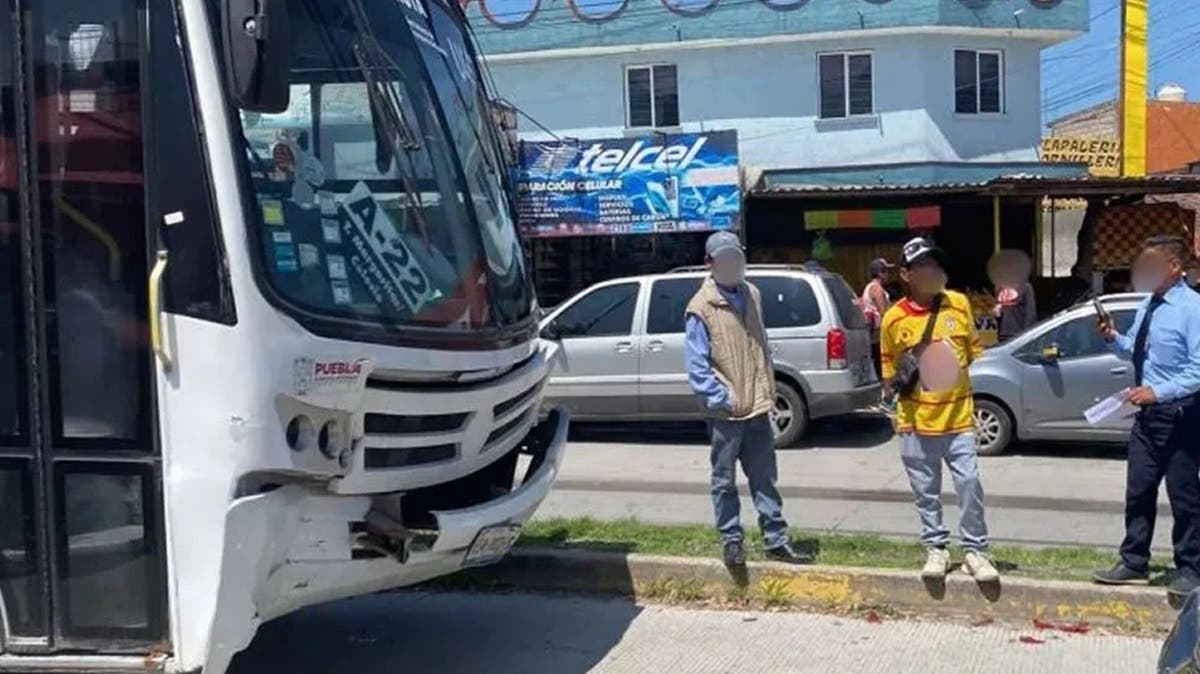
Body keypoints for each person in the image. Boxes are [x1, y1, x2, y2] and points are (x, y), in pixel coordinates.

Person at [684, 231, 807, 567]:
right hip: (726, 413)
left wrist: (764, 391)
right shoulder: (700, 308)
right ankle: (731, 539)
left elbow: (758, 346)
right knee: (724, 481)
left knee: (765, 478)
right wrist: (723, 399)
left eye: (735, 257)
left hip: (758, 407)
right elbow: (697, 368)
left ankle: (776, 539)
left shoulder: (752, 294)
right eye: (723, 259)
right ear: (709, 264)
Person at [879, 237, 998, 582]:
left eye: (936, 266)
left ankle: (975, 550)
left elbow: (974, 354)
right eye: (923, 267)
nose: (933, 272)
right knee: (926, 493)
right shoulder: (893, 319)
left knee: (969, 484)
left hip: (959, 419)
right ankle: (936, 548)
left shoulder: (959, 304)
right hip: (916, 423)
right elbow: (889, 374)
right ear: (905, 274)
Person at [1092, 236, 1200, 602]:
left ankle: (1190, 567)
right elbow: (1136, 349)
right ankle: (1134, 559)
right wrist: (1113, 338)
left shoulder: (1192, 308)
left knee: (1184, 497)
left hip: (1181, 415)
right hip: (1147, 417)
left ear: (1174, 267)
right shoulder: (1148, 305)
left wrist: (1160, 391)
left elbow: (1198, 369)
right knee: (1138, 491)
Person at [988, 250, 1037, 343]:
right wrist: (997, 313)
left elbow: (1031, 313)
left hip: (1019, 333)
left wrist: (1027, 335)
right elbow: (999, 313)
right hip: (1003, 334)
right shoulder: (998, 287)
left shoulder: (1025, 287)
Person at [861, 257, 893, 378]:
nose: (888, 275)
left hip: (873, 334)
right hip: (878, 334)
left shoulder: (870, 287)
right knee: (883, 364)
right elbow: (884, 312)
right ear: (880, 273)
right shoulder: (877, 289)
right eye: (886, 272)